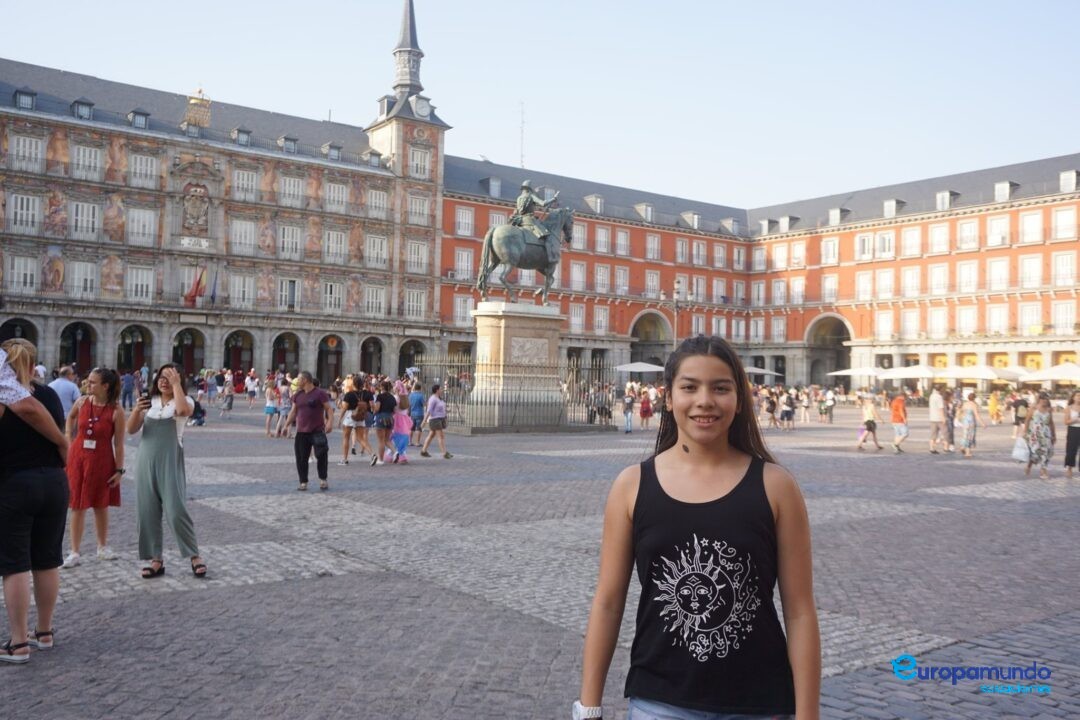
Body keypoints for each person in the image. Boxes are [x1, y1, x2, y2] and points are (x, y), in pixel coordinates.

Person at [576, 335, 818, 720]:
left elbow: (800, 611)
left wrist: (808, 715)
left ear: (739, 400)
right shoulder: (631, 486)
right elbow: (607, 602)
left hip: (758, 702)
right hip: (659, 702)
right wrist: (588, 708)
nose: (705, 400)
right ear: (669, 398)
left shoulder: (776, 487)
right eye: (689, 387)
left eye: (721, 388)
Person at [0, 339, 69, 664]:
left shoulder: (6, 396)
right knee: (47, 560)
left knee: (14, 564)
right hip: (54, 482)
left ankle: (18, 643)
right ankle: (44, 632)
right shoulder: (50, 394)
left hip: (16, 482)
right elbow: (60, 429)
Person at [126, 364, 206, 579]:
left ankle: (194, 555)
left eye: (168, 377)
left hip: (170, 459)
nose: (163, 381)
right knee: (147, 510)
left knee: (176, 508)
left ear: (178, 379)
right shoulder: (149, 402)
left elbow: (182, 412)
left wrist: (176, 383)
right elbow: (131, 429)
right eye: (161, 377)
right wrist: (136, 410)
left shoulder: (185, 401)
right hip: (145, 459)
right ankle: (156, 559)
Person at [61, 368, 125, 568]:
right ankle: (74, 551)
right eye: (88, 381)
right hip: (78, 458)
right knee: (77, 504)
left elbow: (119, 444)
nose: (88, 385)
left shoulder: (116, 411)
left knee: (100, 504)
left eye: (93, 382)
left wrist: (119, 470)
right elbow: (70, 419)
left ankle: (102, 546)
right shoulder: (81, 402)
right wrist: (69, 439)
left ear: (105, 386)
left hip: (102, 460)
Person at [283, 371, 333, 491]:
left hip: (317, 430)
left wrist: (330, 422)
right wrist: (286, 425)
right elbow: (293, 412)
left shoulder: (320, 393)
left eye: (298, 379)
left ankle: (323, 479)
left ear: (305, 380)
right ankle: (303, 482)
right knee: (301, 458)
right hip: (301, 432)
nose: (297, 381)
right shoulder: (298, 395)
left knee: (321, 456)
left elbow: (329, 409)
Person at [510, 179, 559, 263]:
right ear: (530, 189)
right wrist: (554, 199)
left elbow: (518, 210)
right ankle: (550, 257)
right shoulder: (531, 196)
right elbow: (543, 203)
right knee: (547, 235)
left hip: (520, 221)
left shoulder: (519, 198)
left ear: (523, 188)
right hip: (529, 220)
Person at [1023, 394, 1056, 479]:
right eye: (1043, 399)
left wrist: (1054, 435)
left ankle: (1043, 470)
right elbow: (1027, 420)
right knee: (1035, 451)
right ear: (1039, 399)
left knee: (1045, 452)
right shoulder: (1033, 409)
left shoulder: (1049, 410)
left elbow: (1051, 423)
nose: (1044, 400)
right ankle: (1029, 465)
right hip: (1035, 434)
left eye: (1046, 399)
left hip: (1046, 434)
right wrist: (1025, 432)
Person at [420, 384, 452, 459]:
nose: (442, 390)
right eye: (440, 389)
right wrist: (424, 421)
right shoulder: (433, 399)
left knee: (431, 435)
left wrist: (447, 410)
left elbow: (441, 407)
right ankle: (444, 453)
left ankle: (423, 451)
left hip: (440, 419)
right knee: (440, 436)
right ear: (437, 390)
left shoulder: (439, 398)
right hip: (435, 419)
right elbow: (429, 411)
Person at [370, 381, 397, 466]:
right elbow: (395, 410)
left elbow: (377, 408)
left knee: (381, 441)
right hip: (390, 418)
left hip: (381, 417)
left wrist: (373, 409)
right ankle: (395, 452)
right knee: (387, 439)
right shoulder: (392, 397)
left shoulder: (380, 396)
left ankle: (381, 460)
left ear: (382, 387)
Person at [958, 392, 986, 458]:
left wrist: (960, 418)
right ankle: (967, 453)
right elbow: (976, 415)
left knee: (965, 435)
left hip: (965, 421)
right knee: (970, 436)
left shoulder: (965, 404)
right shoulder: (974, 405)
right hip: (971, 422)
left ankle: (962, 447)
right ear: (974, 398)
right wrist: (982, 423)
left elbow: (960, 411)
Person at [1063, 390, 1080, 479]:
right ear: (1073, 397)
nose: (1079, 397)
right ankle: (1069, 468)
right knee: (1071, 450)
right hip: (1073, 429)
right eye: (1077, 395)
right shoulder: (1069, 408)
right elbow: (1066, 421)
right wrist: (1075, 420)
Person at [391, 395, 413, 463]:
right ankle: (402, 454)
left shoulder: (395, 398)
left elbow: (394, 409)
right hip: (405, 420)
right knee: (403, 438)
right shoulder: (406, 399)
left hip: (396, 419)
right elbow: (408, 411)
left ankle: (395, 453)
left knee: (393, 438)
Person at [928, 387, 946, 454]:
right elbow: (940, 408)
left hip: (932, 417)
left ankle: (931, 448)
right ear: (940, 390)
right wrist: (943, 418)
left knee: (933, 434)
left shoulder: (931, 396)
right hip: (939, 418)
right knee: (945, 433)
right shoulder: (939, 397)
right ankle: (946, 447)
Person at [408, 382, 426, 446]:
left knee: (411, 428)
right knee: (419, 428)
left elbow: (409, 404)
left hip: (412, 413)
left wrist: (409, 412)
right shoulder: (421, 396)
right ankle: (417, 442)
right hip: (419, 413)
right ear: (420, 388)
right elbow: (424, 404)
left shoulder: (411, 395)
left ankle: (409, 441)